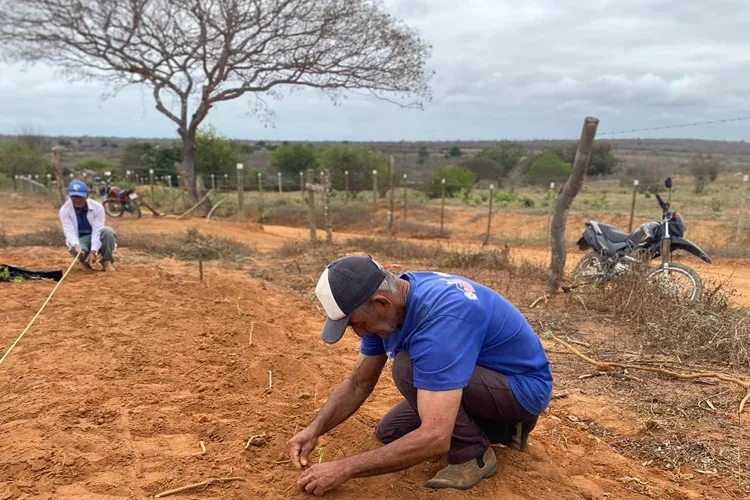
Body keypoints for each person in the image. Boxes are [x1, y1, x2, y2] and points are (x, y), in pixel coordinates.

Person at [288, 254, 553, 495]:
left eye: (356, 324)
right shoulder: (392, 304)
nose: (358, 334)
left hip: (521, 389)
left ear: (381, 302)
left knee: (407, 367)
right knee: (391, 431)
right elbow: (359, 382)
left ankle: (474, 456)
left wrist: (344, 468)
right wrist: (314, 430)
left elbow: (435, 438)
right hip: (477, 377)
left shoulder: (440, 321)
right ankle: (504, 430)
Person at [59, 179, 117, 271]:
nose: (77, 200)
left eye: (80, 197)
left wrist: (93, 251)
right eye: (74, 197)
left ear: (86, 196)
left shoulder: (97, 207)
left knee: (108, 231)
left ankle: (107, 261)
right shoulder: (65, 210)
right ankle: (84, 262)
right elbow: (69, 231)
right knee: (74, 247)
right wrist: (76, 245)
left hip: (96, 235)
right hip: (80, 239)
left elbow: (98, 230)